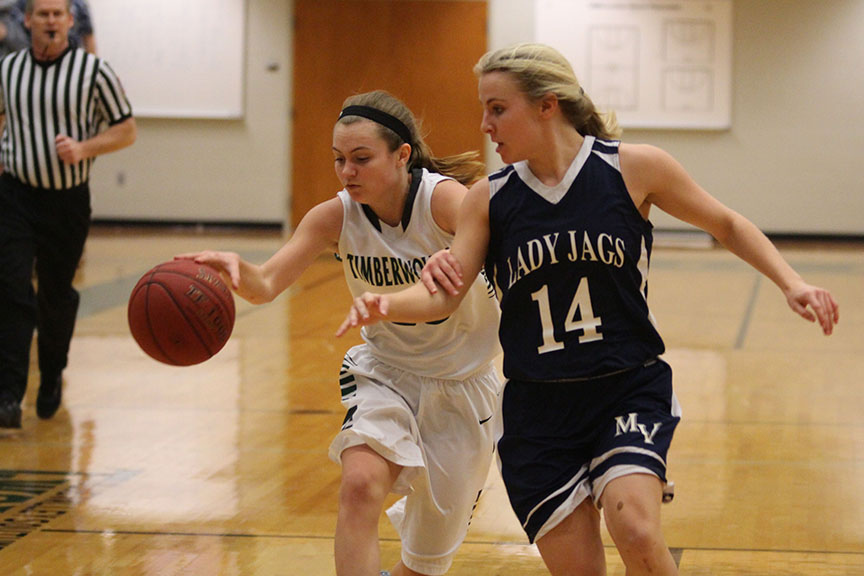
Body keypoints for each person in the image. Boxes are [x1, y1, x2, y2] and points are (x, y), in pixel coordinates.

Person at [337, 43, 840, 576]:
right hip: (539, 410)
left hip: (626, 387)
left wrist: (792, 282)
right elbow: (446, 292)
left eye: (497, 108)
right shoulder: (487, 199)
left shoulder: (633, 168)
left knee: (637, 528)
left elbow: (727, 224)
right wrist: (384, 302)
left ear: (547, 105)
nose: (484, 124)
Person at [176, 90, 502, 576]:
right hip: (387, 374)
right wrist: (236, 269)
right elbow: (266, 284)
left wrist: (459, 256)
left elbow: (508, 244)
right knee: (360, 486)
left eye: (361, 159)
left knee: (425, 563)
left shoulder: (443, 202)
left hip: (464, 385)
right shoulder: (336, 215)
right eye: (339, 160)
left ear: (402, 155)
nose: (347, 172)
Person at [0, 0, 136, 428]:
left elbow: (126, 130)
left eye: (59, 14)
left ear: (71, 22)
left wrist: (83, 148)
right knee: (10, 287)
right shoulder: (8, 69)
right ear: (28, 21)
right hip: (14, 195)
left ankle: (53, 372)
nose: (51, 21)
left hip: (66, 200)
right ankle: (8, 393)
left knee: (55, 295)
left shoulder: (93, 72)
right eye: (43, 14)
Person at [15, 0, 94, 53]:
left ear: (70, 19)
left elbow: (88, 37)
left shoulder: (78, 3)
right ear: (28, 19)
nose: (51, 21)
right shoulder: (22, 4)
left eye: (57, 14)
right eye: (43, 14)